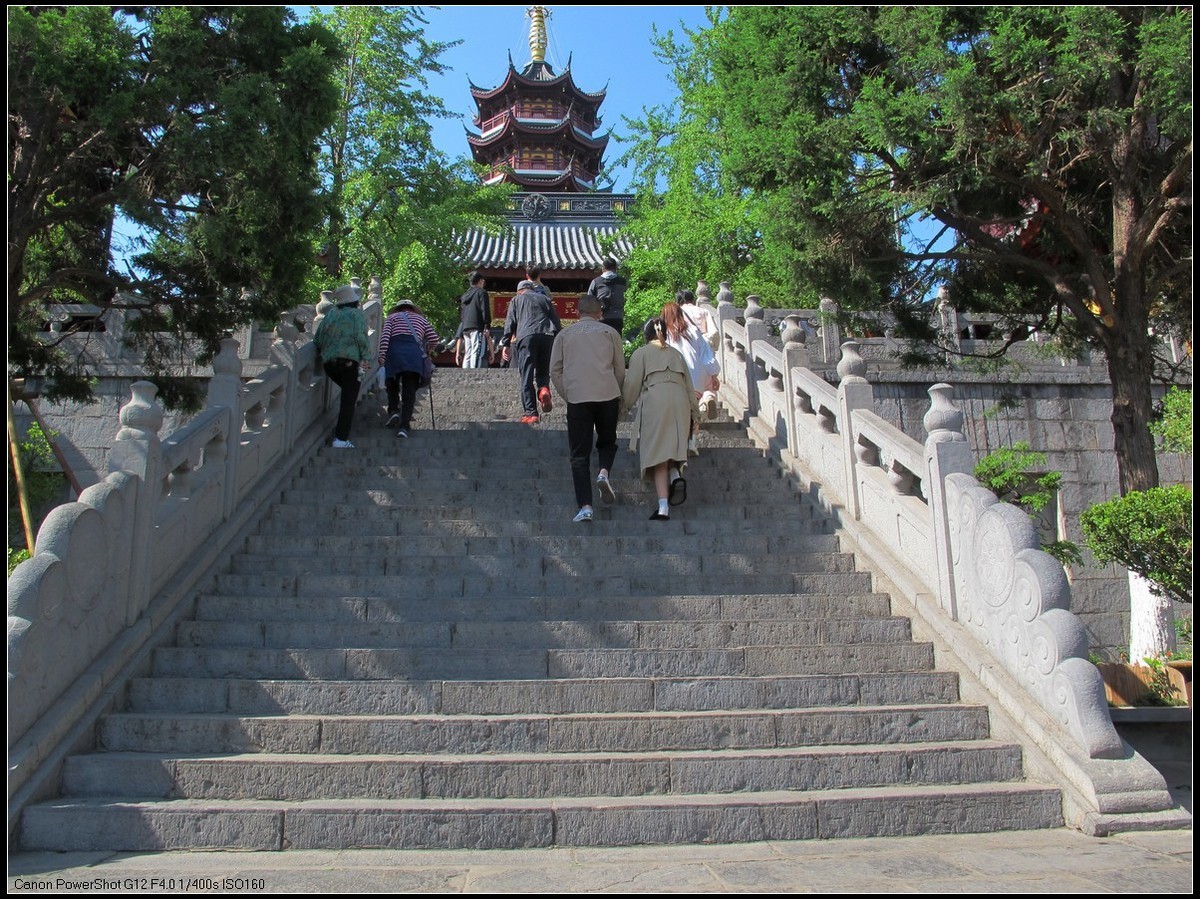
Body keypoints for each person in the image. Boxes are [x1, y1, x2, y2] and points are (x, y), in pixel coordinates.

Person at [550, 295, 626, 523]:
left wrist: (568, 392)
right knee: (607, 441)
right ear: (599, 313)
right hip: (607, 394)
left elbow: (555, 370)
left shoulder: (564, 335)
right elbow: (620, 369)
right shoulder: (610, 333)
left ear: (577, 313)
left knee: (579, 455)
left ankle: (585, 506)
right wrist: (616, 390)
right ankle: (603, 472)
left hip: (578, 397)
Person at [621, 317, 700, 520]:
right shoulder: (677, 355)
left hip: (656, 402)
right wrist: (695, 414)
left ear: (646, 335)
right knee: (672, 447)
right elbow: (690, 386)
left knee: (657, 454)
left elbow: (631, 386)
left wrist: (623, 409)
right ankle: (675, 477)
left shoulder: (641, 353)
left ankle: (663, 507)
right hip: (680, 401)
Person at [314, 283, 370, 448]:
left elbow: (317, 338)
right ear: (354, 301)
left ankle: (341, 437)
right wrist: (366, 358)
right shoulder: (356, 315)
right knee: (348, 400)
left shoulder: (330, 315)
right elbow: (361, 337)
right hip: (349, 363)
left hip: (329, 364)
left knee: (348, 391)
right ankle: (341, 438)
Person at [503, 264, 561, 424]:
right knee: (543, 372)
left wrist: (506, 343)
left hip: (526, 337)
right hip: (547, 335)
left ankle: (531, 412)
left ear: (520, 290)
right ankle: (543, 389)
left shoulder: (516, 300)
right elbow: (556, 321)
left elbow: (510, 323)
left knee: (526, 375)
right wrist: (559, 340)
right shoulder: (544, 298)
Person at [662, 299, 721, 450]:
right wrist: (714, 375)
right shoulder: (692, 330)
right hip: (695, 377)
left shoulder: (662, 333)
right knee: (691, 410)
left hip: (673, 376)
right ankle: (691, 441)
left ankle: (678, 442)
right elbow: (706, 354)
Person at [378, 298, 439, 439]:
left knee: (392, 384)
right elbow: (434, 338)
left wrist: (382, 355)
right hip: (414, 355)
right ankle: (404, 426)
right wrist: (429, 350)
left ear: (399, 308)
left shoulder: (392, 318)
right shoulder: (421, 320)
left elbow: (385, 337)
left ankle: (393, 411)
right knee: (409, 391)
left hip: (395, 354)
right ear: (412, 308)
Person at [453, 271, 495, 368]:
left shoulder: (464, 296)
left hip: (466, 327)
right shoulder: (481, 293)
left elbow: (462, 315)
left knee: (468, 353)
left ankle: (466, 373)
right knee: (477, 352)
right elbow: (484, 310)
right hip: (477, 327)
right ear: (480, 281)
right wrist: (487, 326)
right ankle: (475, 375)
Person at [585, 257, 628, 336]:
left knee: (601, 343)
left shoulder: (596, 282)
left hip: (601, 318)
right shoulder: (622, 281)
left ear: (603, 268)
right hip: (617, 318)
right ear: (616, 268)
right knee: (615, 342)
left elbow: (589, 300)